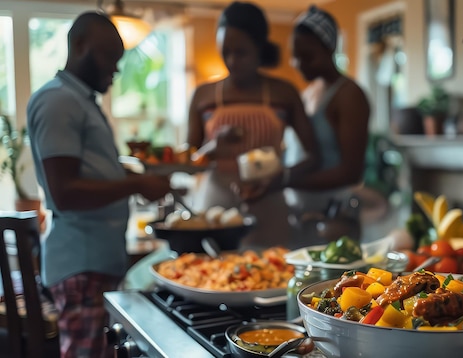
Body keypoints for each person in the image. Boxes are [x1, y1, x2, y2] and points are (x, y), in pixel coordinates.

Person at [27, 12, 171, 357]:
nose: (117, 69)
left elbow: (94, 171)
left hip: (94, 263)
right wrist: (136, 186)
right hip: (81, 264)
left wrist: (138, 178)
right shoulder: (59, 101)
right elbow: (65, 192)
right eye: (109, 56)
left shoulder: (78, 101)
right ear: (79, 46)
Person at [186, 1, 319, 249]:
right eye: (225, 52)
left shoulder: (284, 93)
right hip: (216, 204)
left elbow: (313, 155)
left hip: (269, 201)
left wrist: (280, 179)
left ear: (259, 47)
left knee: (269, 273)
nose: (232, 60)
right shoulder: (203, 96)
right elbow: (186, 162)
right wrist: (212, 149)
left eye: (241, 52)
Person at [284, 6, 370, 239]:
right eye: (295, 56)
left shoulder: (349, 95)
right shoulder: (307, 93)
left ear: (330, 48)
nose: (298, 63)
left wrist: (286, 181)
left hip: (335, 217)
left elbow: (351, 172)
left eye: (307, 55)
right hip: (301, 212)